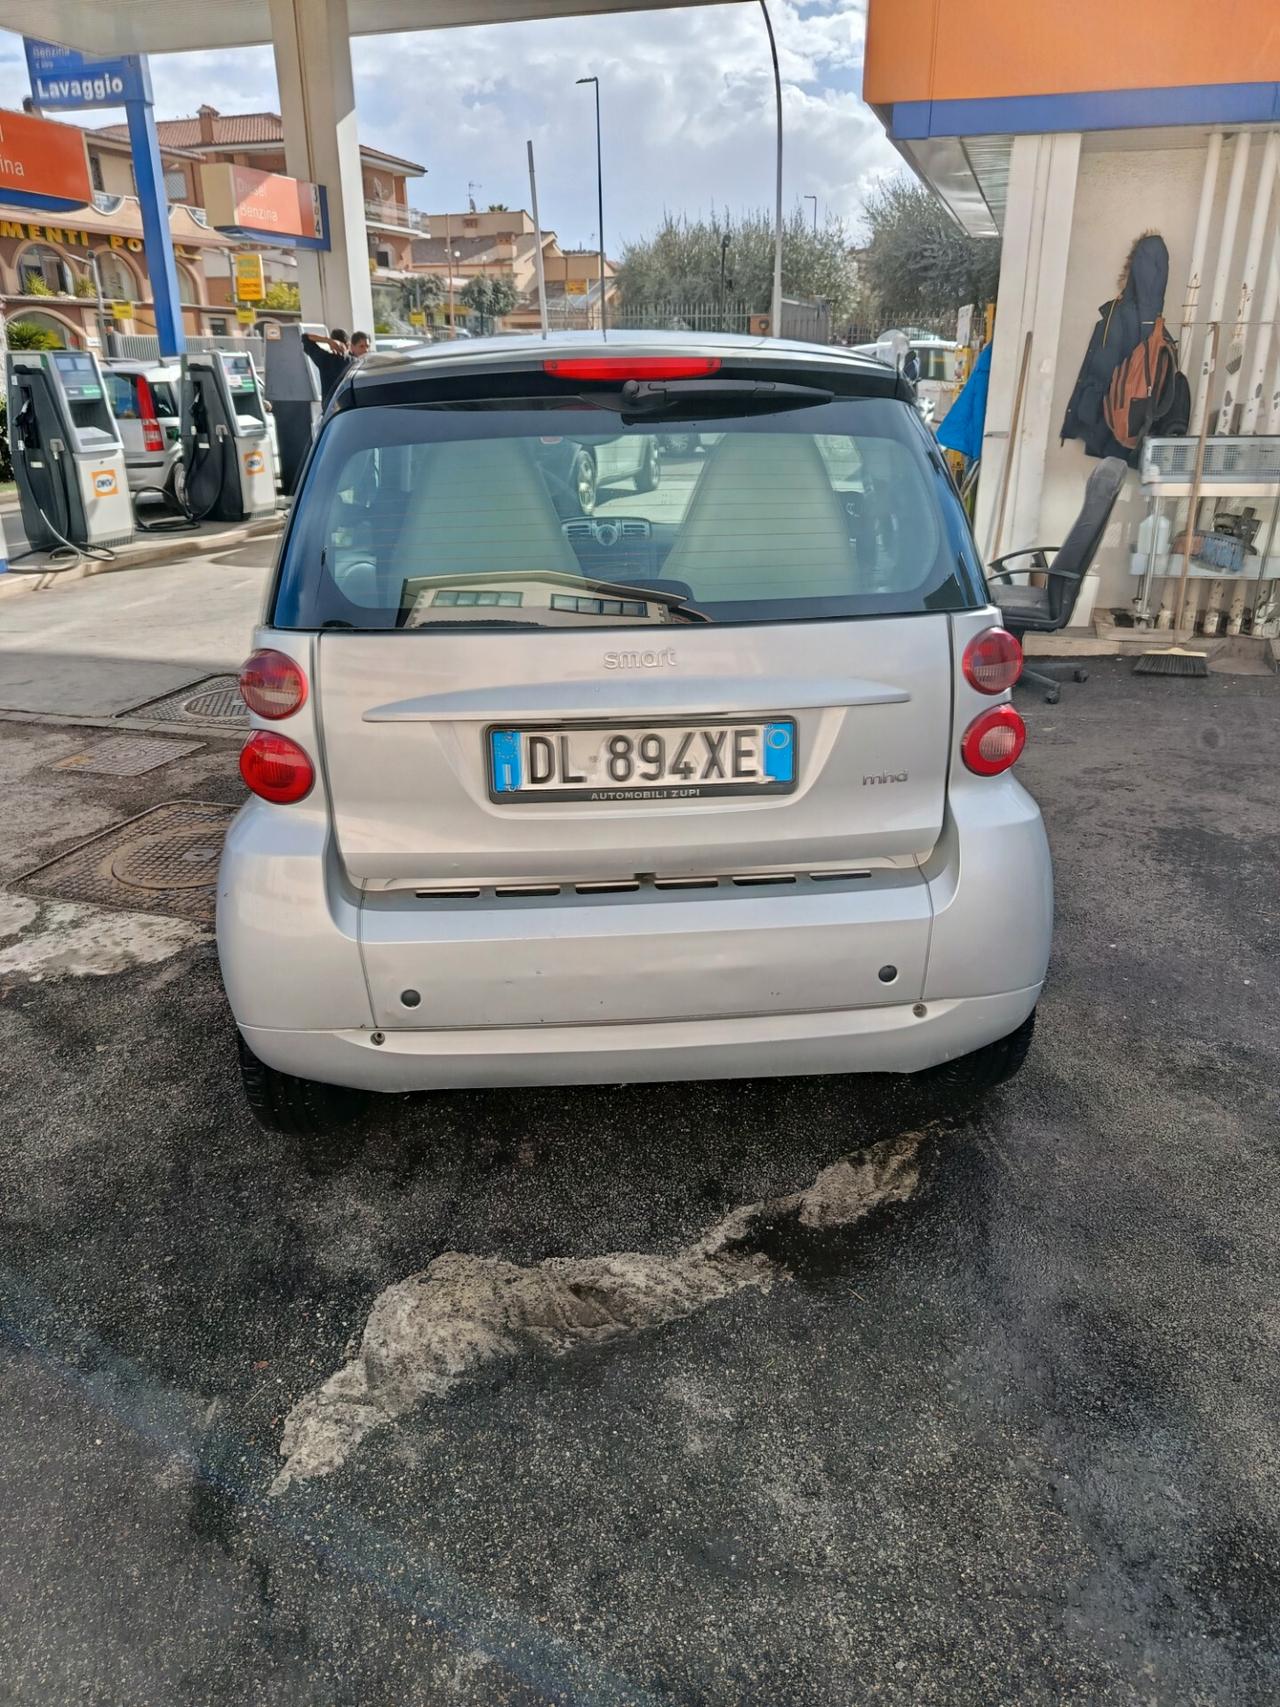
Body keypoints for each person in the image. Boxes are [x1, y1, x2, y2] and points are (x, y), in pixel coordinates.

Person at [302, 328, 351, 409]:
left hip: (330, 408)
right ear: (348, 345)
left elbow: (305, 338)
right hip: (349, 407)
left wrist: (328, 341)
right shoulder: (355, 362)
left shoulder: (324, 359)